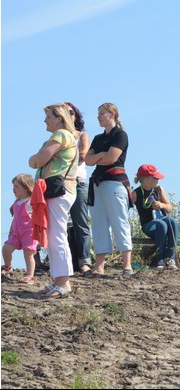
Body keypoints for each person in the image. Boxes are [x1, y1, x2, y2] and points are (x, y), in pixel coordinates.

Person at [28, 103, 78, 298]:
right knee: (54, 235)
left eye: (48, 116)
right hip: (57, 190)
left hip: (59, 191)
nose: (45, 121)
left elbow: (38, 160)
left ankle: (64, 282)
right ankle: (58, 279)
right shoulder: (64, 136)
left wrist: (35, 159)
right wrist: (36, 159)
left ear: (59, 118)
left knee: (57, 235)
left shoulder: (61, 135)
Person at [85, 102, 133, 276]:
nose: (98, 117)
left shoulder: (120, 135)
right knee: (98, 224)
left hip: (115, 183)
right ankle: (99, 266)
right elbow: (87, 160)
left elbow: (112, 158)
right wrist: (101, 155)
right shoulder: (98, 138)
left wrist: (97, 157)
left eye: (101, 113)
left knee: (119, 221)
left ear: (112, 114)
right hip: (98, 184)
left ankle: (127, 265)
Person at [132, 164, 179, 270]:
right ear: (146, 179)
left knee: (172, 222)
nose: (158, 180)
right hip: (148, 225)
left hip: (162, 219)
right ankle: (159, 260)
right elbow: (125, 207)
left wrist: (162, 205)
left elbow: (169, 207)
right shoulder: (136, 193)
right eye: (155, 178)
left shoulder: (159, 189)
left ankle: (170, 258)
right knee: (161, 224)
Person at [65, 102, 93, 275]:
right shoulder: (58, 137)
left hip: (78, 180)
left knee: (81, 223)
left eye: (70, 112)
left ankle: (84, 261)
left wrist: (62, 158)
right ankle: (65, 261)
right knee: (61, 224)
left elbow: (83, 155)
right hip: (61, 182)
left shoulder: (82, 135)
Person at [2, 174, 39, 283]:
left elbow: (38, 214)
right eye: (13, 186)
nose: (13, 189)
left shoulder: (31, 201)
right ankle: (8, 267)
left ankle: (29, 275)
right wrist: (11, 229)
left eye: (16, 186)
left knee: (28, 254)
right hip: (16, 233)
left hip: (29, 233)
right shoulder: (17, 202)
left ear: (26, 186)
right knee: (6, 249)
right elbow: (15, 218)